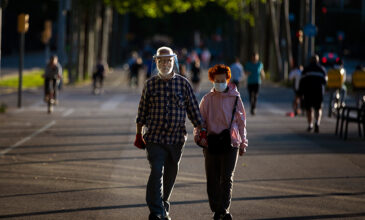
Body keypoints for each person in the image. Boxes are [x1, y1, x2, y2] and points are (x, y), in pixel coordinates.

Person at [134, 46, 203, 220]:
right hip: (155, 138)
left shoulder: (183, 83)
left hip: (176, 139)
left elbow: (193, 110)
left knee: (170, 175)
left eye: (169, 61)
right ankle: (156, 211)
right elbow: (142, 112)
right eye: (162, 61)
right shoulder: (150, 84)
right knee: (157, 171)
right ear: (156, 62)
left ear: (174, 62)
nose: (166, 64)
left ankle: (163, 205)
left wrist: (202, 130)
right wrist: (138, 134)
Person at [194, 64, 248, 220]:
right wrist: (199, 137)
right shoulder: (207, 99)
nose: (220, 83)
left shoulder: (235, 98)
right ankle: (216, 209)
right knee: (212, 178)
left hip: (231, 143)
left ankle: (223, 209)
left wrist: (243, 142)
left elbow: (242, 122)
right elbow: (200, 121)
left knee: (227, 178)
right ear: (212, 81)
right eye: (216, 80)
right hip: (211, 143)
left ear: (227, 79)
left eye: (222, 80)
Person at [299, 55, 327, 133]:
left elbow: (302, 82)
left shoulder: (306, 69)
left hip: (308, 92)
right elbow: (325, 82)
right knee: (318, 108)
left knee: (309, 109)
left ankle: (310, 124)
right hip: (319, 92)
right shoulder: (322, 69)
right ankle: (317, 123)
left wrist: (300, 93)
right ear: (318, 61)